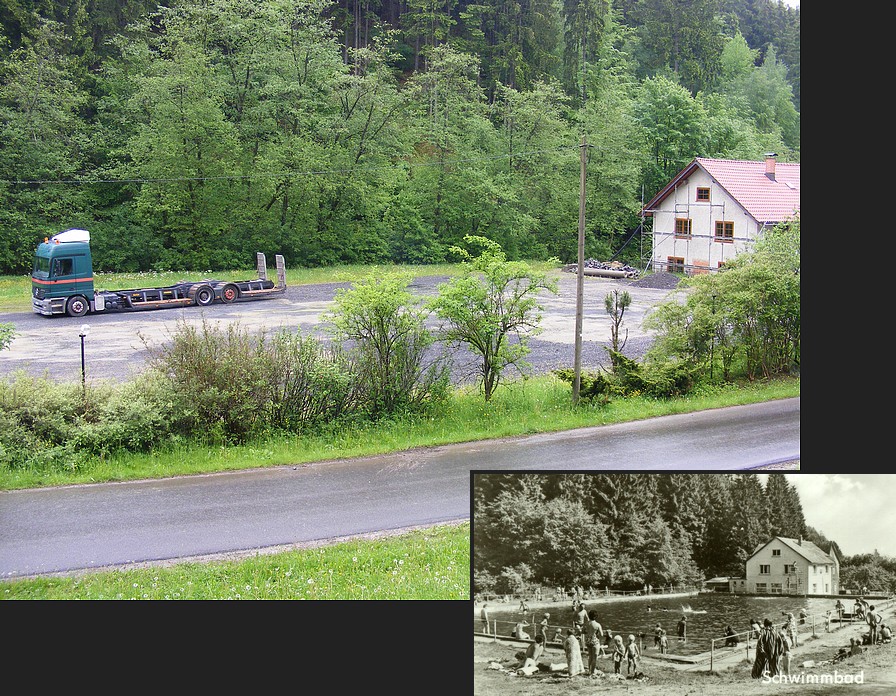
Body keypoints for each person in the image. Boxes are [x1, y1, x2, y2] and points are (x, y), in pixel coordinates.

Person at [583, 610, 604, 676]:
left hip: (588, 641)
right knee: (595, 657)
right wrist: (596, 634)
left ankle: (589, 670)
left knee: (590, 656)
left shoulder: (586, 623)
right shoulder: (597, 625)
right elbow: (601, 634)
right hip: (595, 641)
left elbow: (583, 631)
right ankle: (592, 672)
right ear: (596, 616)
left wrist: (588, 633)